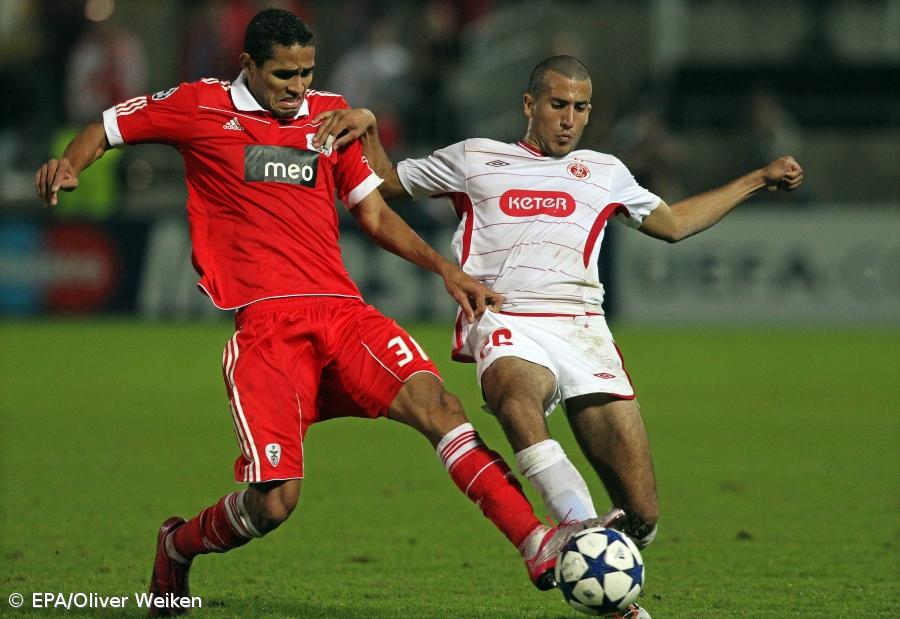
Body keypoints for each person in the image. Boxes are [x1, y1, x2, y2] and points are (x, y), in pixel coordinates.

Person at [34, 17, 612, 615]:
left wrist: (445, 267)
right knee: (275, 503)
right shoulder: (199, 105)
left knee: (441, 407)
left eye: (307, 72)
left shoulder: (327, 117)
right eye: (285, 74)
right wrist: (71, 165)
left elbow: (375, 214)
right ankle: (178, 546)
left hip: (343, 314)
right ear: (250, 65)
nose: (298, 86)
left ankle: (535, 541)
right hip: (267, 328)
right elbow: (106, 127)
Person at [314, 55, 804, 616]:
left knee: (641, 513)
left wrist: (757, 179)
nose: (569, 118)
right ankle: (575, 534)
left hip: (583, 332)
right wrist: (370, 124)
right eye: (558, 105)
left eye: (581, 107)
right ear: (530, 105)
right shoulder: (475, 158)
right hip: (507, 317)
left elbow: (675, 225)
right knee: (515, 401)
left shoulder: (606, 171)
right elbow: (390, 182)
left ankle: (605, 565)